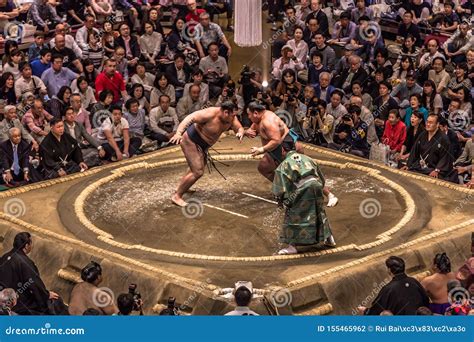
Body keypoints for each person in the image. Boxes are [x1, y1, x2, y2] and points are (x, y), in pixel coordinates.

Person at [169, 102, 245, 206]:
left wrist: (240, 132)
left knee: (196, 168)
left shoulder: (231, 118)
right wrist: (178, 133)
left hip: (203, 145)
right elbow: (190, 118)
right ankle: (177, 196)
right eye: (233, 115)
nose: (235, 118)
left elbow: (239, 127)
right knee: (198, 171)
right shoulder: (209, 113)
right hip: (191, 141)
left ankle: (182, 186)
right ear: (226, 112)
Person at [272, 150, 336, 255]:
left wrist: (283, 202)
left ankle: (292, 246)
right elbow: (321, 179)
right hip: (317, 185)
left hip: (303, 188)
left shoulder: (284, 164)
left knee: (292, 213)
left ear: (283, 152)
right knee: (319, 211)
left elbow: (279, 189)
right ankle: (330, 239)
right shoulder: (308, 158)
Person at [0, 232, 60, 315]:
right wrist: (46, 294)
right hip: (18, 303)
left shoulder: (5, 256)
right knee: (54, 302)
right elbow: (34, 284)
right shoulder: (25, 262)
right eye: (31, 244)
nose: (31, 246)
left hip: (3, 298)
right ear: (26, 246)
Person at [358, 256, 430, 315]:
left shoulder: (388, 289)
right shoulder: (413, 281)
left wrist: (365, 311)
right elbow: (426, 299)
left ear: (389, 270)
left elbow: (377, 309)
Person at [406, 114, 455, 182]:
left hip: (434, 169)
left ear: (437, 124)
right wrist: (408, 165)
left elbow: (445, 157)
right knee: (408, 171)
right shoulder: (423, 135)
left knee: (435, 177)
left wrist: (437, 170)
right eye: (427, 122)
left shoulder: (444, 139)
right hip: (421, 167)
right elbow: (414, 151)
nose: (428, 124)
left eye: (431, 122)